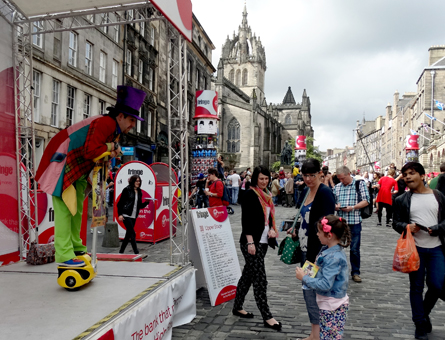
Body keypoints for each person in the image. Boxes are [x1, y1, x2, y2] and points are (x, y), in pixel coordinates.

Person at [35, 85, 146, 267]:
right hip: (63, 161)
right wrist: (111, 149)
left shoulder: (113, 129)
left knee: (77, 208)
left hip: (77, 167)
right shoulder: (106, 124)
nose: (133, 125)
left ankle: (76, 246)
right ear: (120, 116)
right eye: (132, 120)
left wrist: (111, 151)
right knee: (64, 209)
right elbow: (91, 151)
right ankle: (64, 254)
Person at [392, 162, 445, 340]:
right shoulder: (401, 200)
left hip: (437, 247)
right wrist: (407, 226)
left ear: (422, 176)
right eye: (405, 174)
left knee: (436, 286)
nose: (407, 177)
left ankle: (423, 314)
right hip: (415, 250)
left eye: (411, 173)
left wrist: (437, 228)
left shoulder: (439, 196)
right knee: (416, 288)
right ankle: (419, 325)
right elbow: (396, 223)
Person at [232, 165, 282, 331]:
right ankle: (267, 316)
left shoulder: (266, 195)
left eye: (267, 178)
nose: (264, 181)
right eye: (261, 178)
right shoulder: (250, 194)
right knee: (260, 279)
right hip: (251, 242)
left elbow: (267, 219)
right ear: (255, 179)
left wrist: (272, 230)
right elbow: (246, 221)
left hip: (263, 241)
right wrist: (250, 243)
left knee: (248, 275)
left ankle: (237, 306)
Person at [292, 158, 335, 340]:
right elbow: (303, 217)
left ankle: (317, 335)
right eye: (305, 175)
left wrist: (319, 254)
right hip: (304, 248)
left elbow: (327, 224)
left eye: (312, 175)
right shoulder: (305, 191)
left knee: (311, 291)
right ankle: (315, 333)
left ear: (320, 174)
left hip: (316, 252)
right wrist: (295, 228)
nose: (308, 179)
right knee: (308, 291)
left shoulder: (325, 193)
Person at [296, 215, 351, 340]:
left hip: (331, 305)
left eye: (319, 232)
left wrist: (304, 278)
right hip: (329, 304)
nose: (317, 234)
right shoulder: (329, 251)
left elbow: (326, 284)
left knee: (329, 336)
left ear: (329, 235)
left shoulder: (333, 257)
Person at [333, 165, 370, 283]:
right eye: (339, 179)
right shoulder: (337, 187)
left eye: (343, 178)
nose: (341, 181)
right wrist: (336, 206)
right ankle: (336, 271)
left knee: (354, 249)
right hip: (340, 222)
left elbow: (366, 201)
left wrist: (353, 207)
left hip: (354, 221)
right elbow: (333, 201)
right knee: (336, 247)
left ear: (349, 174)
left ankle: (355, 272)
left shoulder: (359, 184)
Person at [117, 175, 150, 254]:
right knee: (132, 233)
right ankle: (136, 252)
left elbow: (139, 206)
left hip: (134, 215)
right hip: (126, 214)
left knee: (128, 235)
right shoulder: (126, 190)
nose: (138, 183)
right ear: (132, 181)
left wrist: (146, 202)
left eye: (139, 181)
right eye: (136, 181)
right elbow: (120, 203)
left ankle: (121, 252)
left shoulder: (139, 192)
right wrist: (120, 214)